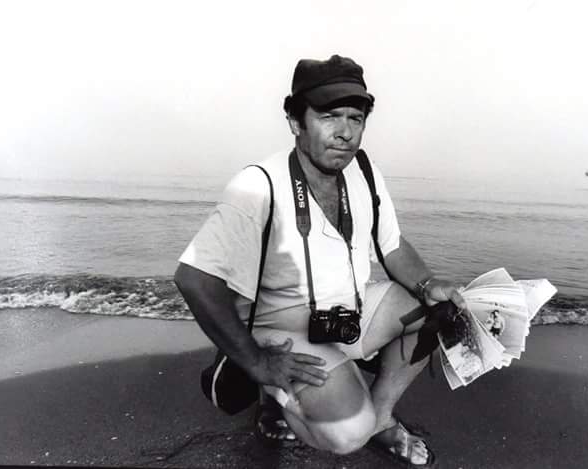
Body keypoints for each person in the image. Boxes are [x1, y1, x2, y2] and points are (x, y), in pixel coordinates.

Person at [174, 54, 467, 467]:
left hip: (348, 312)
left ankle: (381, 419)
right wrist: (257, 362)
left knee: (441, 311)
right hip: (283, 328)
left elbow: (392, 245)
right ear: (296, 121)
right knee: (348, 433)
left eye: (355, 118)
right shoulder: (258, 185)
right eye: (329, 116)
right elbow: (194, 278)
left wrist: (427, 284)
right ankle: (272, 391)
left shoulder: (364, 170)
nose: (345, 132)